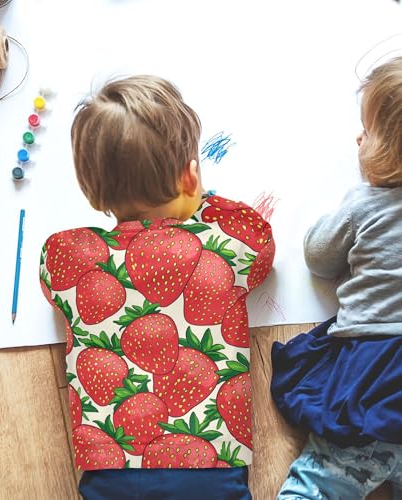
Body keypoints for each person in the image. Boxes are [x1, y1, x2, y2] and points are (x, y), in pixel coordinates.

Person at [39, 75, 275, 499]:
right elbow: (262, 245)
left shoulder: (67, 255)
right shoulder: (225, 246)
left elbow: (50, 290)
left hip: (109, 465)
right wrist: (204, 201)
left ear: (92, 192)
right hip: (213, 461)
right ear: (190, 177)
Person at [271, 57, 402, 499]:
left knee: (323, 479)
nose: (359, 139)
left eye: (368, 132)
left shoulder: (366, 204)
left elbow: (318, 258)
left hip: (369, 385)